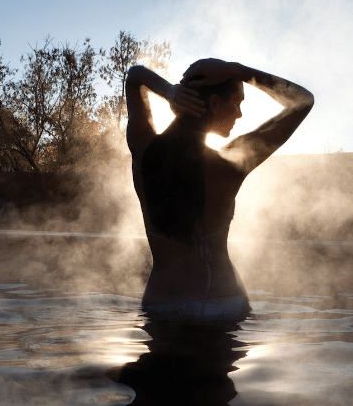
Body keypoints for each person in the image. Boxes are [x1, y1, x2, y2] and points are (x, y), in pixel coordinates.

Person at [125, 58, 314, 320]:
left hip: (162, 304)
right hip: (222, 304)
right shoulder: (231, 162)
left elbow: (134, 76)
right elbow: (303, 101)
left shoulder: (144, 149)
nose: (239, 114)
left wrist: (169, 92)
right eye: (237, 103)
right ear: (214, 104)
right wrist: (240, 71)